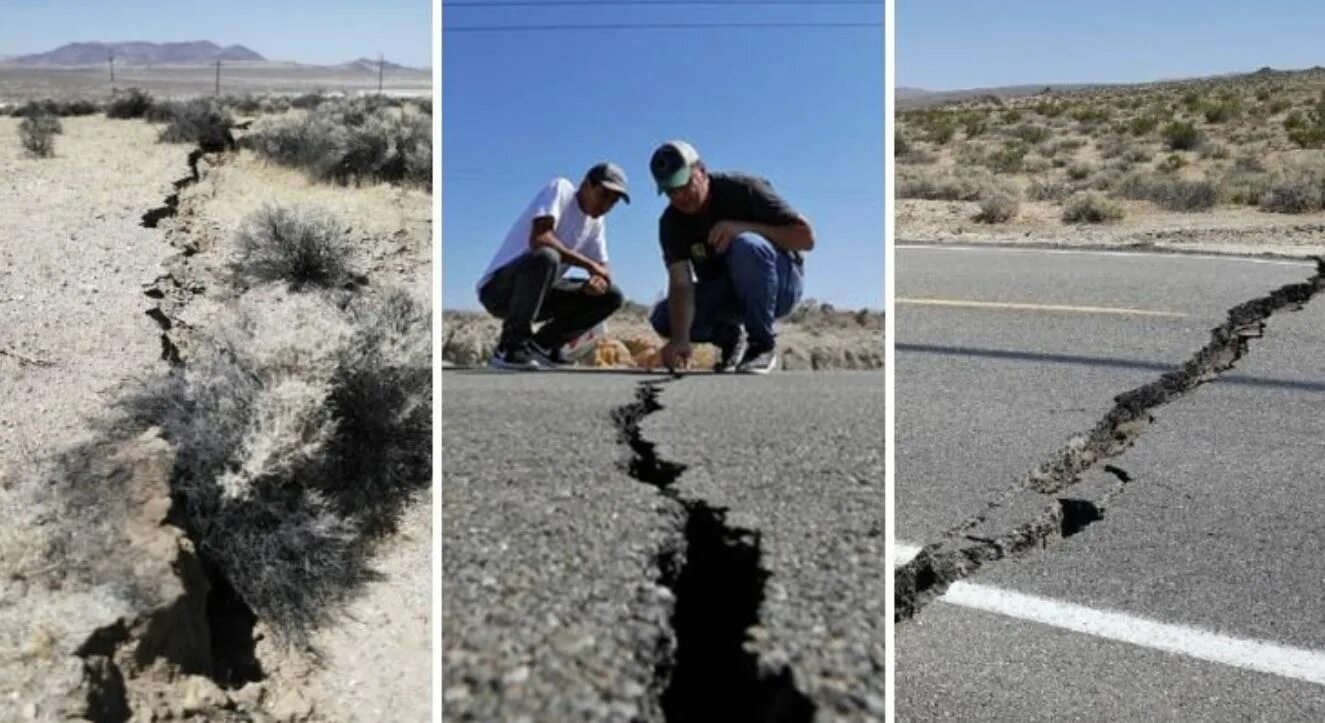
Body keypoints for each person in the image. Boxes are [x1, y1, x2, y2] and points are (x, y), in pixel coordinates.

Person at [647, 140, 813, 374]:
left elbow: (806, 238)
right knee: (664, 317)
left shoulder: (744, 188)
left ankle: (761, 346)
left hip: (780, 285)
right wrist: (680, 339)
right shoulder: (671, 223)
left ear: (701, 171)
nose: (681, 197)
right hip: (728, 293)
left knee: (747, 245)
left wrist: (742, 228)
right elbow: (681, 283)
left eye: (685, 185)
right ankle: (730, 339)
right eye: (671, 192)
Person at [476, 162, 630, 369]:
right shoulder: (561, 189)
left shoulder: (595, 223)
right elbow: (540, 239)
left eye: (614, 201)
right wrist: (590, 265)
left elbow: (603, 268)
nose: (607, 205)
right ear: (586, 185)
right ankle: (510, 347)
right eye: (604, 195)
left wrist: (597, 282)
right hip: (499, 292)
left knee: (612, 296)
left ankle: (542, 346)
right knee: (547, 256)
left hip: (539, 295)